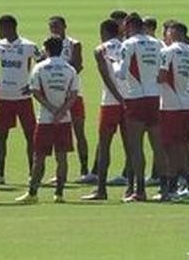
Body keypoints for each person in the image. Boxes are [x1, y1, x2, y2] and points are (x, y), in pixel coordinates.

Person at [17, 36, 78, 203]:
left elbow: (35, 91)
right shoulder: (69, 69)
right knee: (62, 157)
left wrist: (51, 109)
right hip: (64, 120)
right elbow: (73, 95)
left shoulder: (40, 68)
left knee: (39, 157)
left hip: (45, 119)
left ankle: (33, 193)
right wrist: (61, 111)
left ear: (47, 49)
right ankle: (59, 194)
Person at [0, 14, 41, 185]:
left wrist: (32, 83)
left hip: (23, 97)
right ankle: (0, 175)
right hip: (5, 97)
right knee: (2, 136)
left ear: (9, 28)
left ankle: (32, 173)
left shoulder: (29, 46)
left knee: (30, 136)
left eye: (0, 28)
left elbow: (43, 63)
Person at [115, 12, 164, 203]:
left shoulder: (128, 44)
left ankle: (139, 190)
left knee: (136, 147)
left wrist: (113, 62)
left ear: (128, 26)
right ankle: (166, 188)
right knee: (158, 146)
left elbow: (121, 73)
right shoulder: (156, 43)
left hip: (136, 97)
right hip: (155, 96)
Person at [80, 18, 130, 201]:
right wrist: (125, 98)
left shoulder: (100, 49)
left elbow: (105, 76)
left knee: (104, 146)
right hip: (129, 101)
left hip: (110, 103)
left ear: (103, 33)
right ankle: (131, 188)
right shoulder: (127, 46)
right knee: (130, 146)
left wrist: (117, 97)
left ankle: (101, 190)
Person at [158, 20, 189, 201]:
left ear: (174, 33)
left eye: (167, 31)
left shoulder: (168, 51)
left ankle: (172, 188)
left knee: (172, 147)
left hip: (172, 104)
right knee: (186, 144)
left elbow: (162, 76)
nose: (166, 35)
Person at [48, 15, 92, 183]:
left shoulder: (74, 44)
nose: (54, 29)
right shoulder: (48, 45)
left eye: (57, 26)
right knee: (56, 133)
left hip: (74, 94)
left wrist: (63, 79)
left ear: (64, 26)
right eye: (51, 26)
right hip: (56, 96)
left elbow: (78, 65)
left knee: (79, 131)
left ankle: (84, 169)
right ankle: (59, 171)